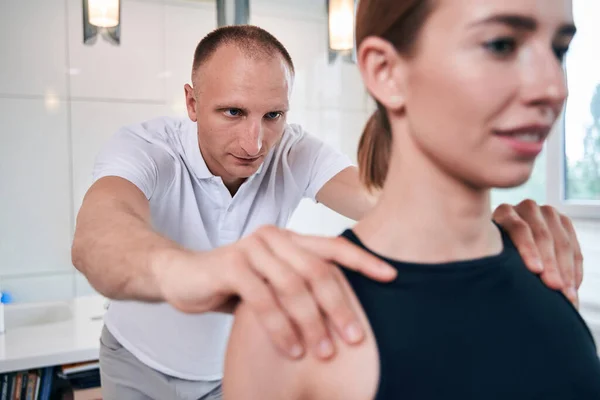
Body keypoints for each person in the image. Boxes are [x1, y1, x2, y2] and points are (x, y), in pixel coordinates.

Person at [72, 23, 585, 400]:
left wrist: (475, 227)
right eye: (233, 112)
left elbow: (385, 205)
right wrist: (197, 269)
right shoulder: (146, 148)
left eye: (273, 115)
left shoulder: (292, 150)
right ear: (190, 102)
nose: (255, 142)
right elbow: (98, 238)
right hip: (136, 362)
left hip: (225, 374)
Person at [222, 1, 600, 399]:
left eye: (559, 50)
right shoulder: (287, 323)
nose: (553, 88)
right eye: (501, 45)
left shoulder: (549, 265)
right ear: (385, 72)